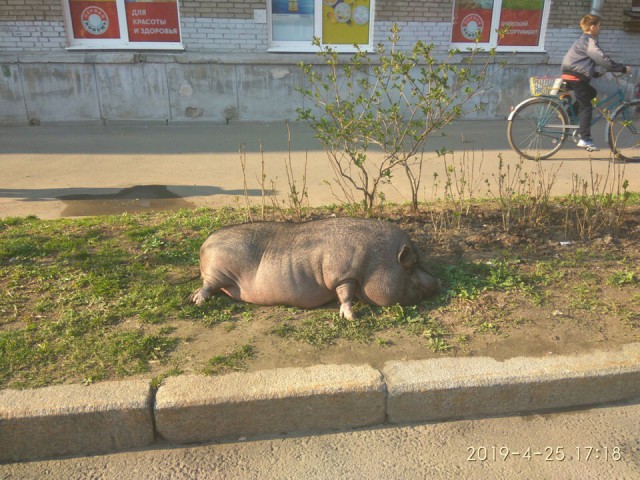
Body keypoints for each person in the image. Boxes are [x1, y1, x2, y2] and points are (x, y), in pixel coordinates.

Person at [561, 14, 630, 151]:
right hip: (575, 76)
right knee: (586, 107)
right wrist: (621, 68)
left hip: (570, 73)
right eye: (599, 26)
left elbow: (581, 61)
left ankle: (570, 114)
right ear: (593, 27)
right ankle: (585, 138)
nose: (600, 28)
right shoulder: (589, 41)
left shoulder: (582, 40)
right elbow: (602, 59)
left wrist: (596, 73)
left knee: (591, 92)